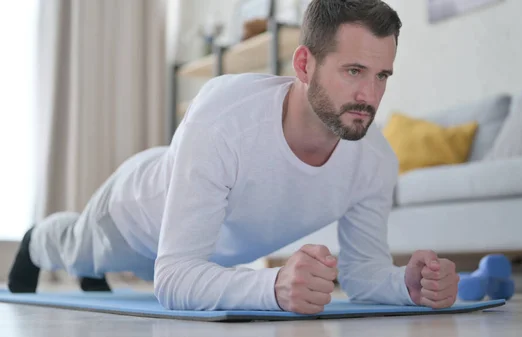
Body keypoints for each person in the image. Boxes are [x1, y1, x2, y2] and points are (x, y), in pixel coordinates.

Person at [8, 0, 459, 314]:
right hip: (134, 216)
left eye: (382, 75)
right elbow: (174, 278)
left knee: (107, 271)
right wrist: (274, 286)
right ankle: (35, 239)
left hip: (205, 251)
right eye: (354, 71)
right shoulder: (225, 113)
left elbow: (363, 274)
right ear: (303, 65)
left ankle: (93, 274)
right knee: (78, 253)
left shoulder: (375, 160)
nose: (370, 95)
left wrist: (406, 284)